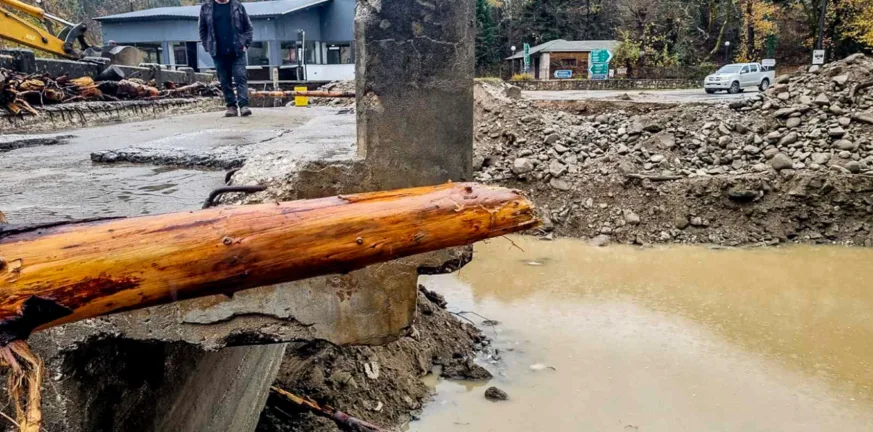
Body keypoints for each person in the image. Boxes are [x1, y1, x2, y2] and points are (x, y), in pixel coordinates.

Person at [199, 0, 253, 117]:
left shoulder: (238, 6)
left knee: (240, 78)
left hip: (237, 51)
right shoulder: (206, 8)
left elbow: (248, 27)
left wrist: (246, 44)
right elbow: (202, 30)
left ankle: (244, 106)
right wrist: (207, 46)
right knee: (224, 80)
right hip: (218, 51)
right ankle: (231, 106)